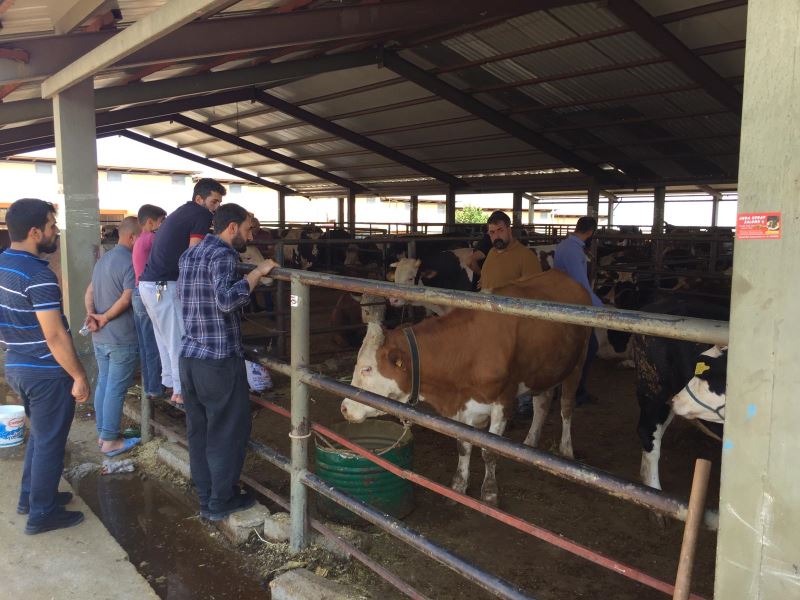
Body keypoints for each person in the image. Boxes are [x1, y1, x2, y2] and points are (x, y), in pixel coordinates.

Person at [177, 203, 277, 521]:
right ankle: (221, 501)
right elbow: (226, 299)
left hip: (190, 356)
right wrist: (257, 275)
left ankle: (207, 495)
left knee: (200, 429)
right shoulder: (223, 255)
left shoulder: (189, 253)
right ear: (231, 228)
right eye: (249, 229)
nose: (251, 235)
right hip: (218, 359)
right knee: (228, 429)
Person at [0, 198, 89, 534]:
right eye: (53, 226)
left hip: (18, 366)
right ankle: (42, 514)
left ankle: (31, 497)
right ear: (36, 232)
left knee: (40, 435)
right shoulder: (38, 274)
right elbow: (54, 336)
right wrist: (78, 375)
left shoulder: (4, 264)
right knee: (50, 442)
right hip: (45, 372)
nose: (57, 231)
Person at [139, 178, 225, 407]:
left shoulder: (182, 211)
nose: (216, 207)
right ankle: (180, 390)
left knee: (163, 336)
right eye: (214, 201)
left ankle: (169, 380)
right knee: (177, 336)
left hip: (151, 286)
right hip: (163, 285)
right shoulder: (201, 214)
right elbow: (194, 250)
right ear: (200, 199)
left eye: (219, 203)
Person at [84, 216, 142, 457]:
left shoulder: (103, 259)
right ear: (132, 238)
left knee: (105, 384)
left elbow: (89, 291)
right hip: (120, 337)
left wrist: (91, 315)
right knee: (115, 388)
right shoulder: (130, 261)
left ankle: (103, 433)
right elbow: (127, 298)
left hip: (100, 336)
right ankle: (109, 441)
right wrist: (105, 317)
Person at [553, 216, 604, 406]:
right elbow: (581, 283)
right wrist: (600, 308)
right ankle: (576, 393)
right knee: (589, 348)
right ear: (591, 232)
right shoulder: (574, 251)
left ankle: (564, 389)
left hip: (561, 301)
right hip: (574, 306)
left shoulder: (563, 245)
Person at [131, 204, 167, 402]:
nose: (164, 226)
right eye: (162, 221)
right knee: (155, 340)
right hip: (152, 291)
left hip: (138, 292)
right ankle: (155, 386)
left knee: (145, 343)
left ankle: (150, 384)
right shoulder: (153, 238)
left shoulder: (140, 240)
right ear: (151, 222)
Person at [478, 211, 541, 291]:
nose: (496, 236)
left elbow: (536, 290)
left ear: (509, 230)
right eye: (492, 232)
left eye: (500, 230)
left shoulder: (526, 256)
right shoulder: (492, 252)